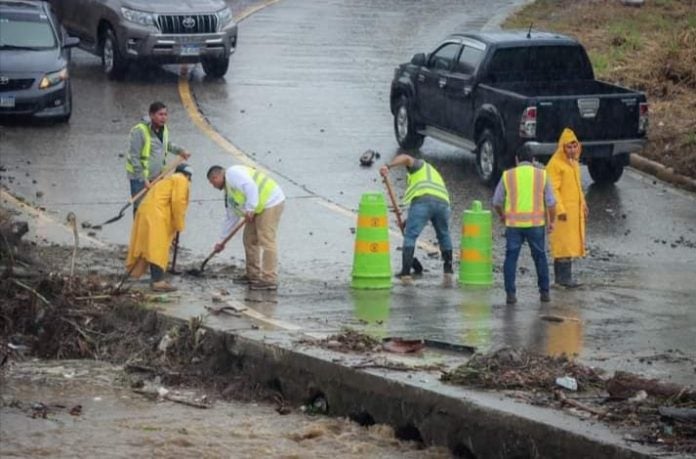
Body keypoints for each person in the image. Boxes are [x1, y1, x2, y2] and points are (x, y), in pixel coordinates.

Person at [493, 146, 556, 305]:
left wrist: (502, 215)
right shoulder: (542, 175)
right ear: (534, 160)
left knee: (511, 258)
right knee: (540, 257)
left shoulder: (508, 175)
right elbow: (551, 203)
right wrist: (552, 222)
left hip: (513, 225)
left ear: (516, 159)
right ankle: (544, 293)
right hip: (536, 225)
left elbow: (496, 201)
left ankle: (511, 295)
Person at [207, 164, 285, 290]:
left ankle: (269, 279)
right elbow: (231, 218)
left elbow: (250, 186)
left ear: (216, 177)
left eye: (212, 182)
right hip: (256, 207)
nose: (213, 186)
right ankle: (253, 275)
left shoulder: (232, 173)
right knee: (249, 239)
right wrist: (221, 241)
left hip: (271, 201)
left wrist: (250, 208)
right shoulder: (229, 194)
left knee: (266, 239)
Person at [379, 154, 453, 281]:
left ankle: (406, 273)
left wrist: (388, 166)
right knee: (444, 234)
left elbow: (405, 158)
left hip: (423, 200)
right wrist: (407, 222)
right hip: (443, 203)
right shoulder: (433, 173)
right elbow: (429, 207)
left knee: (410, 236)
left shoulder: (419, 165)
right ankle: (448, 270)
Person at [125, 164, 193, 292]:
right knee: (158, 248)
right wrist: (179, 225)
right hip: (156, 215)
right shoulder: (181, 180)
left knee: (147, 246)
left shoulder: (166, 181)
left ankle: (147, 276)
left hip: (145, 212)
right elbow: (178, 203)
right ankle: (158, 281)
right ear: (188, 176)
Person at [126, 101, 191, 213]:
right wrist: (143, 179)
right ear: (151, 115)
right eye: (160, 114)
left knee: (154, 207)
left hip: (157, 176)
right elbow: (134, 157)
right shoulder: (139, 131)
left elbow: (166, 144)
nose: (164, 118)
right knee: (141, 209)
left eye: (165, 114)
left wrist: (180, 151)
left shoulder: (163, 129)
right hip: (140, 178)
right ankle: (139, 230)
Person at [546, 128, 587, 288]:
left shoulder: (574, 164)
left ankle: (565, 278)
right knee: (562, 245)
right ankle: (562, 279)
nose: (572, 150)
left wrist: (583, 203)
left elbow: (577, 187)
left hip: (573, 213)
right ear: (562, 147)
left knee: (569, 245)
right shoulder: (555, 165)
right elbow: (552, 189)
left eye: (574, 146)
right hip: (563, 215)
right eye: (568, 147)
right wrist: (560, 210)